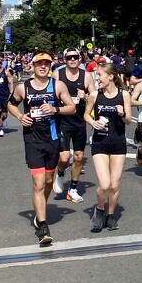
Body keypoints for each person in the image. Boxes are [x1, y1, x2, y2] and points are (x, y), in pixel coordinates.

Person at [6, 51, 76, 246]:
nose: (43, 67)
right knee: (38, 183)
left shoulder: (58, 85)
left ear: (50, 66)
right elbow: (10, 104)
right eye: (39, 64)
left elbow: (72, 107)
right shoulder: (23, 88)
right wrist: (20, 117)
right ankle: (43, 225)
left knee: (47, 181)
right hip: (33, 140)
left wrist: (55, 109)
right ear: (33, 66)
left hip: (52, 138)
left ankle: (40, 208)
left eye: (46, 64)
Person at [85, 61, 131, 231]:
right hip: (100, 143)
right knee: (104, 185)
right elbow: (85, 114)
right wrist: (93, 122)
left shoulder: (123, 95)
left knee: (114, 184)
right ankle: (99, 209)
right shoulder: (95, 95)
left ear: (111, 77)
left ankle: (111, 215)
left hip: (118, 142)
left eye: (100, 75)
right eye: (97, 75)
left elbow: (128, 120)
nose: (97, 79)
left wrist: (122, 113)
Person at [52, 47, 93, 203]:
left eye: (75, 57)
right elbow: (50, 93)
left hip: (79, 122)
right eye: (69, 58)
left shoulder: (86, 76)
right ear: (65, 59)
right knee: (63, 157)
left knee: (79, 157)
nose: (72, 59)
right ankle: (60, 174)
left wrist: (86, 97)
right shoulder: (58, 75)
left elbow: (94, 98)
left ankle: (73, 189)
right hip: (62, 121)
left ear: (79, 59)